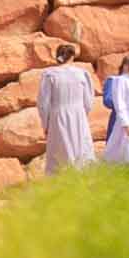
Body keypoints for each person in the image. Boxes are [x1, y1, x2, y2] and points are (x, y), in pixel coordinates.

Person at [36, 43, 96, 174]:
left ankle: (62, 181)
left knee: (60, 150)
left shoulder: (49, 75)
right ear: (72, 56)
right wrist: (83, 114)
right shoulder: (82, 74)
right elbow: (89, 100)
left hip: (58, 116)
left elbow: (43, 103)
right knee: (81, 147)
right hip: (79, 115)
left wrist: (45, 124)